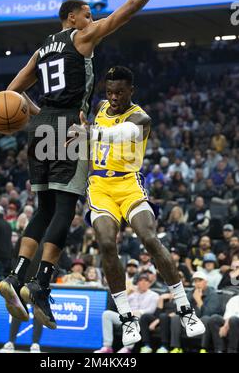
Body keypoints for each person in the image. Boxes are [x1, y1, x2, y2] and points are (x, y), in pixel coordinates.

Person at [0, 0, 176, 334]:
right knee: (66, 208)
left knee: (43, 208)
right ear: (72, 18)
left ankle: (14, 277)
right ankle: (40, 285)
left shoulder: (43, 48)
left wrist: (34, 116)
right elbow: (125, 13)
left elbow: (11, 94)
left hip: (41, 124)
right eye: (86, 12)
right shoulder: (82, 38)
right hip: (67, 126)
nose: (91, 16)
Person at [69, 65, 205, 348]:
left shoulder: (141, 118)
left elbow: (120, 134)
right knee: (106, 242)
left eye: (119, 92)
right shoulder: (102, 107)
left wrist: (90, 133)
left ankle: (184, 308)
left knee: (150, 239)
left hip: (129, 184)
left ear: (132, 90)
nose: (114, 97)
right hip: (101, 187)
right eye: (109, 92)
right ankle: (127, 317)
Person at [94, 274, 159, 353]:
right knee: (107, 314)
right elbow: (120, 304)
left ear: (149, 283)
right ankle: (107, 347)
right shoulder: (132, 294)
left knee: (133, 318)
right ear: (137, 283)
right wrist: (128, 293)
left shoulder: (154, 295)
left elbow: (151, 310)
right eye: (141, 281)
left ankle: (127, 348)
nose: (143, 283)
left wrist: (138, 312)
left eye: (146, 281)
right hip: (126, 316)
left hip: (140, 319)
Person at [169, 272, 221, 353]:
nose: (197, 283)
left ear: (206, 282)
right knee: (176, 318)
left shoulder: (213, 294)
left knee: (206, 318)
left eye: (200, 281)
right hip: (192, 319)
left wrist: (198, 300)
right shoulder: (191, 293)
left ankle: (204, 348)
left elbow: (210, 313)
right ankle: (177, 347)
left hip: (205, 319)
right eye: (195, 281)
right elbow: (181, 308)